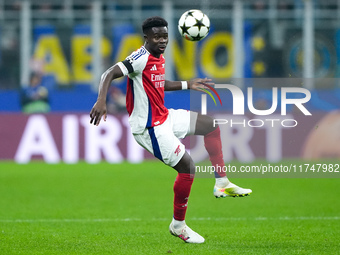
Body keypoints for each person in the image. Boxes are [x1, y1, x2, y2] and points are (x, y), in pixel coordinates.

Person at [90, 16, 252, 244]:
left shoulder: (158, 56)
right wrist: (101, 100)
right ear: (146, 37)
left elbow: (158, 83)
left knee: (211, 126)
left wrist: (187, 84)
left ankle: (222, 184)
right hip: (149, 127)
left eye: (165, 36)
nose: (162, 40)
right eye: (157, 36)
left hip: (164, 116)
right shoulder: (139, 57)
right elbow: (108, 73)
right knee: (187, 167)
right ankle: (178, 225)